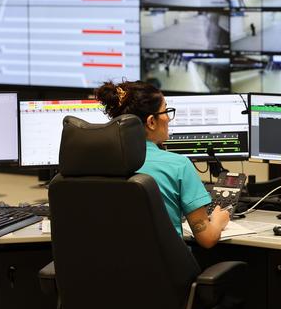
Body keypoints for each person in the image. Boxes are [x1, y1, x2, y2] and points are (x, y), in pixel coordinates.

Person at [95, 80, 229, 248]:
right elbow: (207, 238)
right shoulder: (178, 166)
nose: (168, 118)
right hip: (163, 272)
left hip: (105, 270)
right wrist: (218, 221)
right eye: (165, 111)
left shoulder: (93, 162)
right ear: (151, 122)